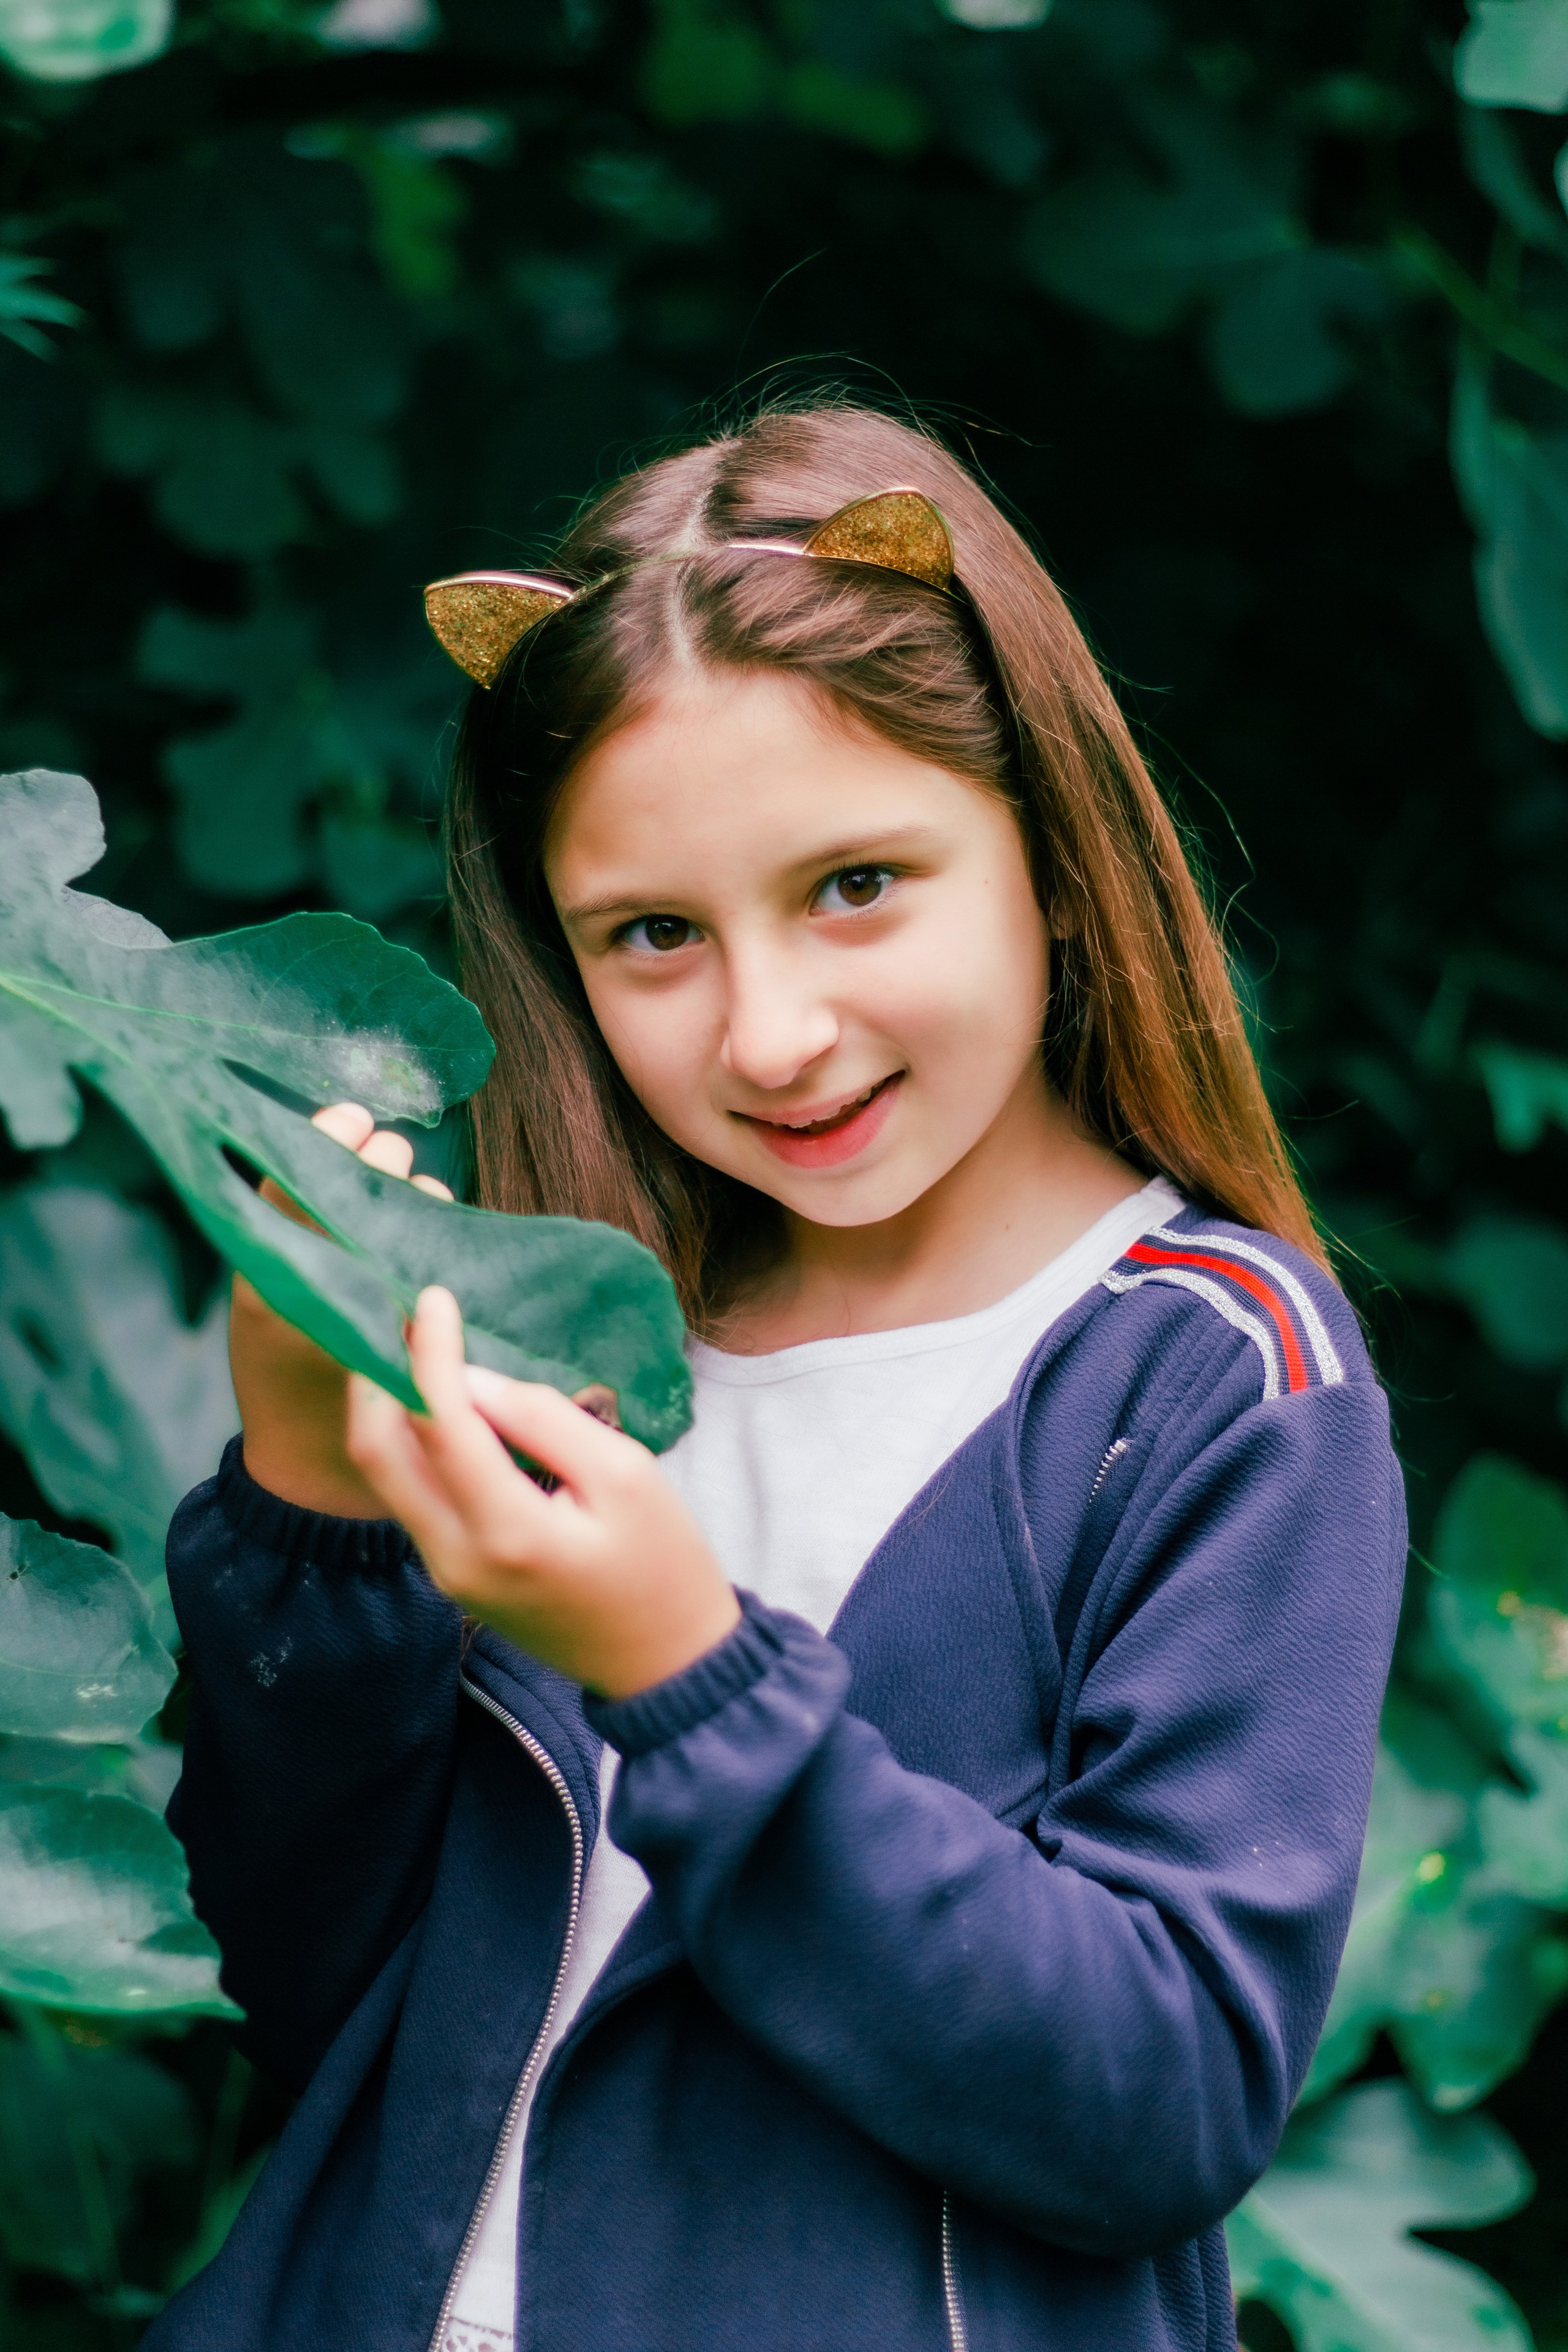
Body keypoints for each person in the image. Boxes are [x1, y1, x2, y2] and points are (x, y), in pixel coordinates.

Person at [146, 404, 1404, 2352]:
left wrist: (687, 1675)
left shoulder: (1215, 1372)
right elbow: (315, 1988)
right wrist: (313, 1511)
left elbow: (1159, 2101)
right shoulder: (560, 1322)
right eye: (652, 935)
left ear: (1052, 856)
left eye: (856, 886)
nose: (775, 1031)